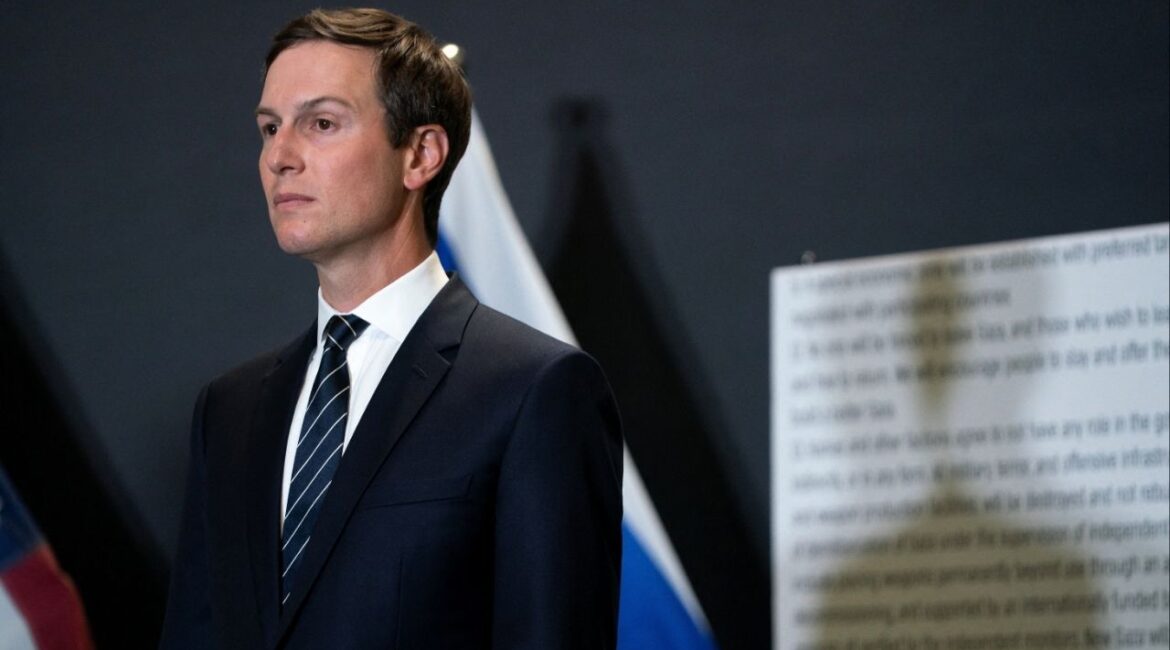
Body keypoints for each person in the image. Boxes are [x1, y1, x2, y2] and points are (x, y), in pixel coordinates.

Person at [159, 8, 622, 649]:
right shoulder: (228, 411)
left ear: (421, 154)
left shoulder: (532, 391)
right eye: (269, 127)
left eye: (321, 123)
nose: (279, 157)